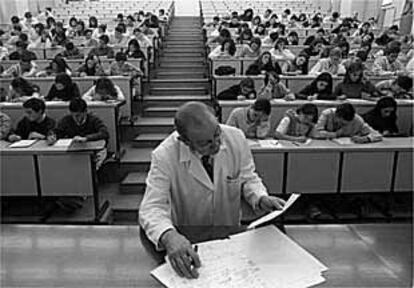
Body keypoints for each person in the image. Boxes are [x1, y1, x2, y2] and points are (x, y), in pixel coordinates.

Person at [139, 102, 286, 279]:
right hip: (189, 238)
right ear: (184, 141)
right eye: (205, 143)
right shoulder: (164, 155)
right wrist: (168, 236)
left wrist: (260, 197)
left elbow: (248, 177)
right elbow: (151, 207)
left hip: (229, 234)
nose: (216, 144)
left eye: (217, 134)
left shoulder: (236, 137)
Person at [52, 98, 109, 169]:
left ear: (85, 112)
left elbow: (104, 133)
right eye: (73, 115)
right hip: (74, 149)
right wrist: (52, 136)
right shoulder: (66, 120)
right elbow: (57, 131)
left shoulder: (93, 119)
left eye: (78, 115)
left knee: (95, 165)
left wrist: (86, 138)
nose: (76, 118)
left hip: (94, 149)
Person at [314, 102, 382, 143]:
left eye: (346, 124)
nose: (343, 125)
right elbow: (316, 132)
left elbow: (377, 135)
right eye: (341, 122)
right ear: (336, 115)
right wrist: (336, 134)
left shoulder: (357, 120)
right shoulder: (327, 114)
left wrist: (366, 139)